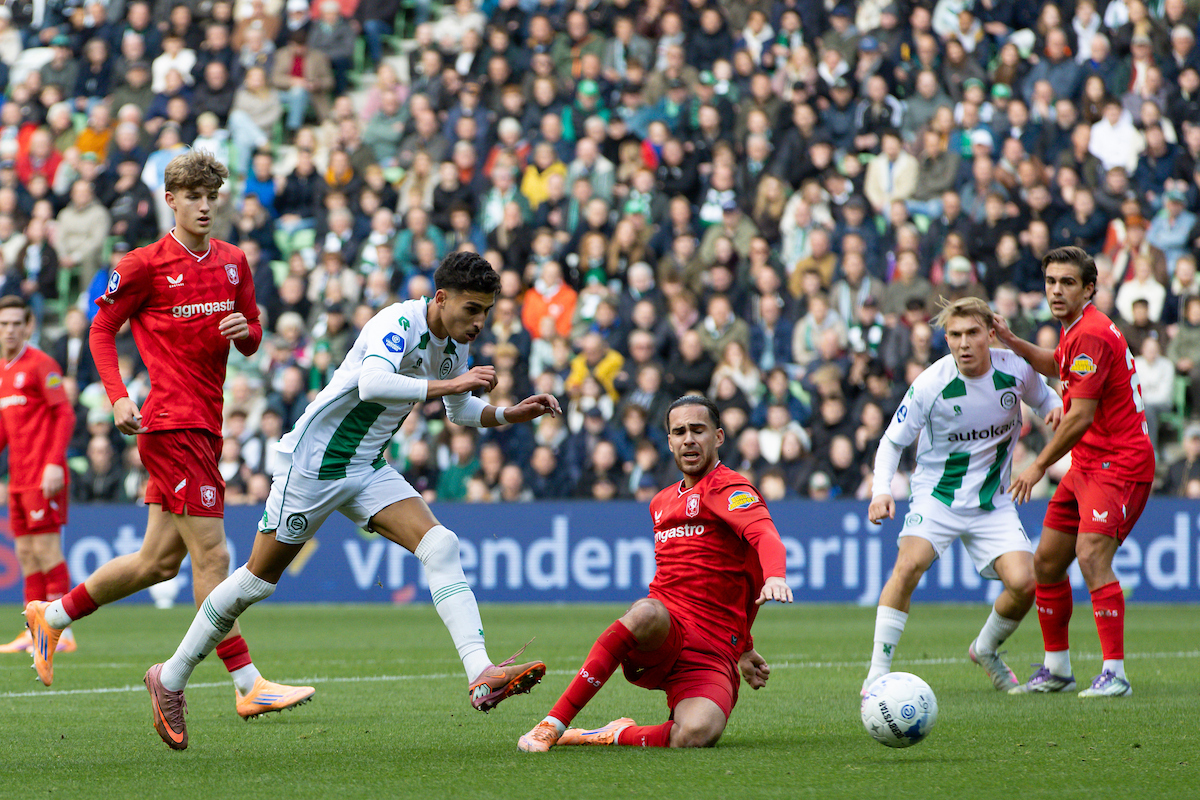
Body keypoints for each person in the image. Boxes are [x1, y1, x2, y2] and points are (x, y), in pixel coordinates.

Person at [144, 251, 560, 750]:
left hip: (366, 467)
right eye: (472, 309)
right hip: (314, 465)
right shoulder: (399, 321)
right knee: (257, 581)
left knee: (441, 545)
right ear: (442, 298)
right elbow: (373, 382)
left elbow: (459, 408)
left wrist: (509, 414)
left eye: (486, 312)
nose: (479, 322)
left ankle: (481, 672)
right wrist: (453, 383)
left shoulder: (450, 346)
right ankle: (169, 677)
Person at [24, 151, 315, 722]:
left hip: (207, 422)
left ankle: (51, 617)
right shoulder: (142, 265)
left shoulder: (234, 262)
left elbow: (254, 336)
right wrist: (117, 397)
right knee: (215, 554)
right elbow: (101, 327)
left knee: (156, 563)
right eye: (193, 196)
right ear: (171, 200)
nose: (205, 205)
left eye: (212, 195)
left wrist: (244, 330)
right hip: (168, 424)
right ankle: (248, 682)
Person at [517, 395, 792, 752]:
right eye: (679, 432)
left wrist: (775, 579)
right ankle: (552, 724)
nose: (689, 439)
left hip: (712, 652)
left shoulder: (732, 490)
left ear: (719, 437)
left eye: (698, 430)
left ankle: (611, 733)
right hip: (667, 632)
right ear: (669, 442)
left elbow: (764, 539)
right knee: (646, 610)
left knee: (697, 734)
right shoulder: (661, 503)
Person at [863, 297, 1063, 694]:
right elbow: (891, 442)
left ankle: (985, 648)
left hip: (993, 501)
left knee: (1026, 584)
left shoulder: (1015, 370)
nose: (963, 343)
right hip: (938, 497)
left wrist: (1056, 409)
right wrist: (881, 490)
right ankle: (876, 673)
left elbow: (1047, 400)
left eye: (972, 333)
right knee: (908, 565)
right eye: (954, 335)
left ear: (990, 333)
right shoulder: (931, 384)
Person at [995, 246, 1155, 698]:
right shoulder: (1076, 331)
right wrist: (1011, 341)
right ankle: (1057, 669)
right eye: (1050, 282)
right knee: (1046, 562)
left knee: (1090, 557)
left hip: (1119, 464)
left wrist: (1037, 465)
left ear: (1089, 288)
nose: (1056, 290)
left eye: (1067, 283)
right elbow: (1057, 365)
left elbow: (1080, 415)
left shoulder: (1091, 334)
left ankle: (1115, 673)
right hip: (1089, 464)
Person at [0, 296, 77, 654]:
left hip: (43, 474)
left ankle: (63, 632)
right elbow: (5, 427)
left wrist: (53, 464)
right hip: (18, 477)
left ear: (28, 326)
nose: (10, 330)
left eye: (17, 323)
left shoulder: (41, 364)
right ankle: (36, 632)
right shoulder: (3, 370)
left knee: (46, 550)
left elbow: (64, 415)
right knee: (27, 553)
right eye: (4, 324)